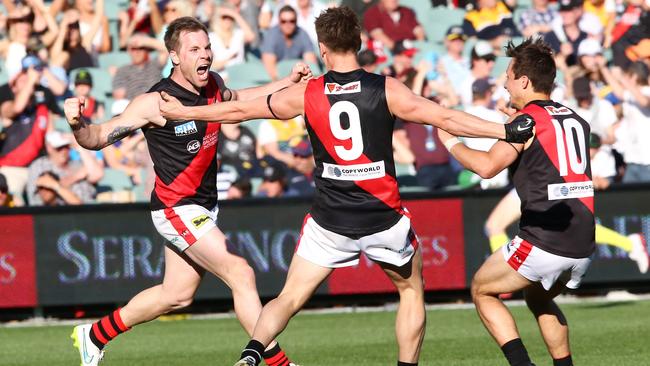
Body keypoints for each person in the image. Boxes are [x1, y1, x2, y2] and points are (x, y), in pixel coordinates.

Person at [158, 7, 535, 366]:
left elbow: (238, 110)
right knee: (411, 290)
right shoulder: (386, 89)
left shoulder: (308, 93)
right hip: (382, 218)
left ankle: (254, 351)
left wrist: (185, 112)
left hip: (330, 221)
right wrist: (503, 129)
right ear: (358, 42)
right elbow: (445, 116)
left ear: (322, 49)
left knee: (288, 297)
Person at [63, 16, 311, 366]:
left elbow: (240, 99)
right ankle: (275, 363)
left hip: (203, 206)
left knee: (175, 295)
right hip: (175, 207)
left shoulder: (213, 86)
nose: (205, 54)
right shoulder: (156, 102)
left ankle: (93, 335)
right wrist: (77, 124)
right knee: (241, 272)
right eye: (194, 49)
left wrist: (285, 82)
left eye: (207, 46)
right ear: (175, 56)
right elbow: (98, 138)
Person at [437, 37, 593, 366]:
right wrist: (515, 122)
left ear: (524, 80)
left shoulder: (526, 122)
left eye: (508, 75)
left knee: (481, 289)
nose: (504, 83)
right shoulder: (574, 117)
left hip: (547, 239)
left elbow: (486, 166)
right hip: (583, 243)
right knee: (537, 297)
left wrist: (449, 140)